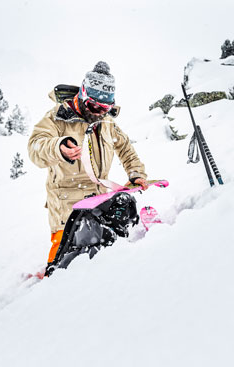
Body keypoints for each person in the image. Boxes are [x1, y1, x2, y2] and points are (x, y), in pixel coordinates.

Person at [28, 61, 148, 269]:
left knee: (113, 231)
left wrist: (136, 173)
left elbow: (125, 147)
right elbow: (35, 147)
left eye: (105, 108)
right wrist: (58, 147)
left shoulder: (106, 121)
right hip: (68, 206)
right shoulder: (57, 118)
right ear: (82, 95)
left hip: (99, 199)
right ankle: (48, 285)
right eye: (94, 106)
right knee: (68, 261)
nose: (100, 113)